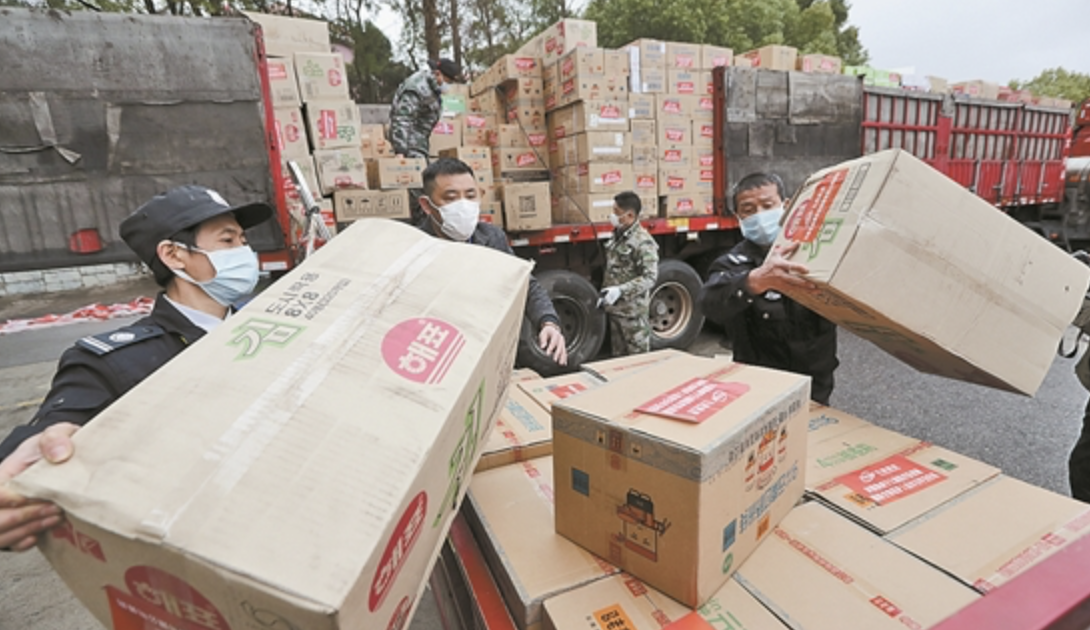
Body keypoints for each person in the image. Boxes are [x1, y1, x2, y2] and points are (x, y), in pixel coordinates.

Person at [0, 185, 272, 551]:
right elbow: (56, 426)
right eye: (228, 241)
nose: (245, 253)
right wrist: (26, 466)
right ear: (174, 255)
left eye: (243, 240)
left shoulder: (270, 326)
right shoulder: (116, 360)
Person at [697, 172, 838, 404]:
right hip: (759, 384)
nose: (760, 215)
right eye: (748, 209)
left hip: (814, 381)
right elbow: (708, 303)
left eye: (767, 205)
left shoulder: (815, 251)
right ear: (738, 216)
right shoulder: (731, 263)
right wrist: (754, 281)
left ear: (786, 206)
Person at [416, 157, 568, 367]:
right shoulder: (416, 247)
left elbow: (522, 283)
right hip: (433, 351)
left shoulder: (491, 238)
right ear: (427, 205)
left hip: (483, 346)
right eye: (451, 198)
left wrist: (548, 322)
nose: (463, 205)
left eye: (470, 196)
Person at [599, 192, 659, 356]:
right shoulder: (618, 235)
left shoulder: (643, 241)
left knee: (638, 362)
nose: (612, 216)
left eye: (616, 212)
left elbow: (649, 277)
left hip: (633, 316)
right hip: (616, 311)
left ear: (630, 215)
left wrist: (621, 290)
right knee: (619, 360)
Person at [389, 58, 463, 160]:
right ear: (437, 74)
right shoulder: (416, 88)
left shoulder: (433, 87)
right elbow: (402, 119)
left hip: (419, 141)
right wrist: (400, 151)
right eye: (448, 82)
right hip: (409, 142)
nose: (448, 86)